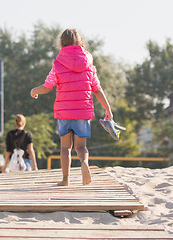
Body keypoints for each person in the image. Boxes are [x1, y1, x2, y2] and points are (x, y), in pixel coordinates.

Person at [30, 29, 113, 186]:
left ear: (62, 43)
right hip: (83, 111)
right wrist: (107, 108)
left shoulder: (58, 64)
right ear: (81, 43)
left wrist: (34, 91)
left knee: (65, 148)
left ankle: (65, 179)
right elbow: (97, 88)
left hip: (64, 113)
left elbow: (47, 86)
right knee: (81, 146)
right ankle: (84, 163)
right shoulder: (89, 65)